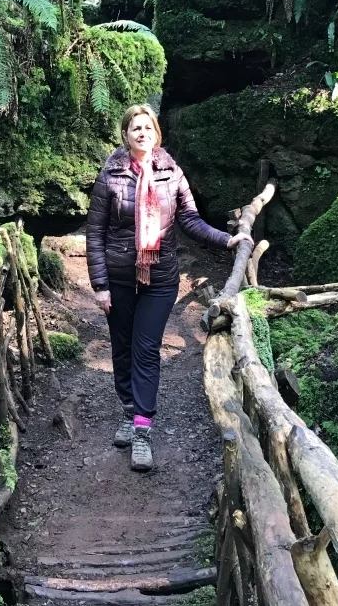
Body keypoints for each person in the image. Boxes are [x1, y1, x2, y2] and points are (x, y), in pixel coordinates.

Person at [86, 104, 250, 471]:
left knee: (145, 350)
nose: (141, 133)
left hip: (160, 278)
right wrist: (99, 285)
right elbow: (95, 233)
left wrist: (226, 240)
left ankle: (142, 429)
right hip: (118, 276)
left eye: (147, 127)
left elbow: (189, 218)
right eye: (134, 128)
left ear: (156, 133)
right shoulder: (110, 176)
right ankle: (128, 412)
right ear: (125, 136)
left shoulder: (172, 173)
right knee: (122, 348)